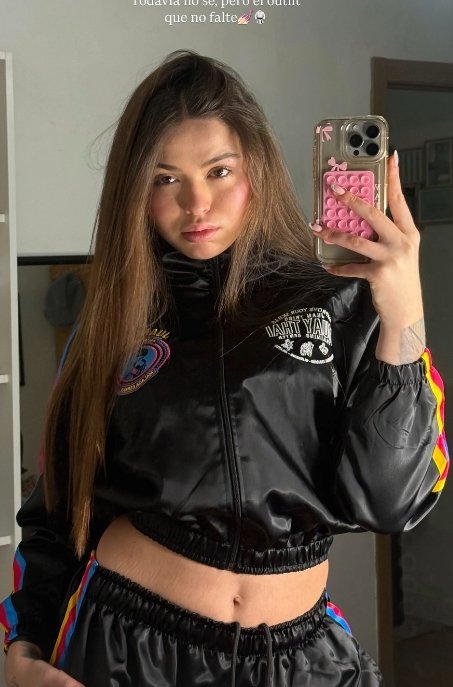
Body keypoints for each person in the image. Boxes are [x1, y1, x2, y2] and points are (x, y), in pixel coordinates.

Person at [1, 49, 449, 687]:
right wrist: (24, 647)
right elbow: (56, 511)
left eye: (218, 171)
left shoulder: (339, 301)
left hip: (301, 658)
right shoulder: (111, 325)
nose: (196, 203)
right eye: (165, 178)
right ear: (135, 189)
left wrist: (405, 311)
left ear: (255, 169)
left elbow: (390, 501)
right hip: (127, 648)